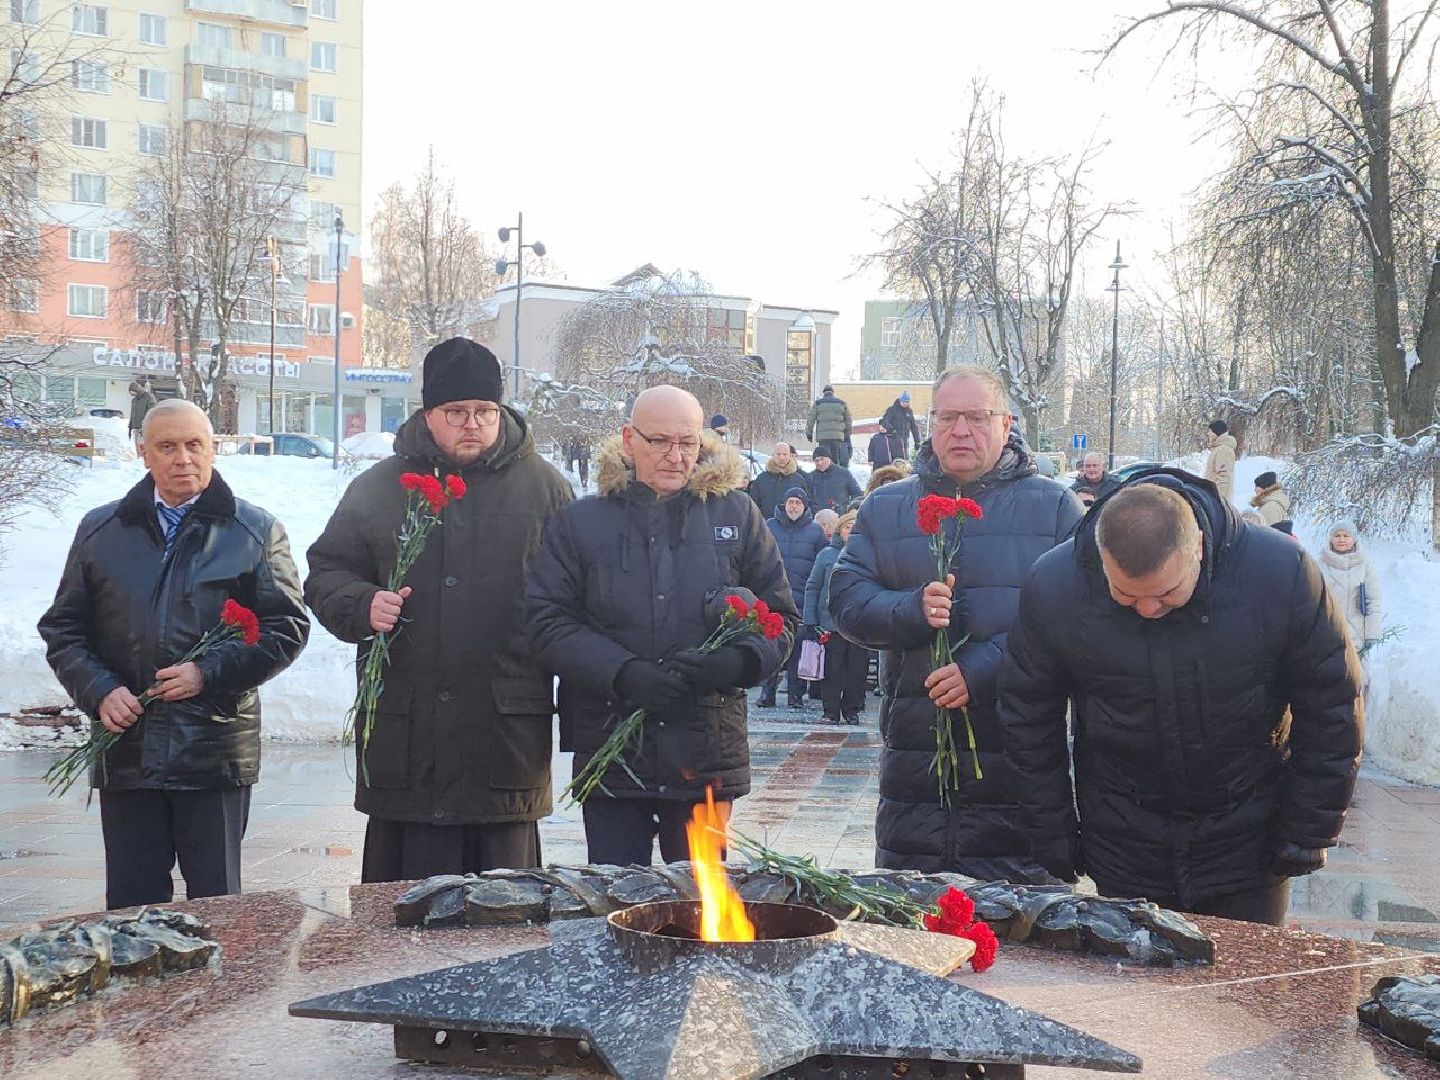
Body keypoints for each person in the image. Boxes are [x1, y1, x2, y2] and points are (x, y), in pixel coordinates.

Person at [1000, 477, 1363, 926]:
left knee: (1240, 989)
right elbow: (1028, 713)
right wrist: (1050, 829)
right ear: (1100, 559)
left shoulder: (1279, 571)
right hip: (1122, 835)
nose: (1149, 609)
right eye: (1126, 596)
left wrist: (1309, 826)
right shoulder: (1058, 584)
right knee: (1136, 988)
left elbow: (1332, 702)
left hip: (1249, 838)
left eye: (1167, 593)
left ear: (1198, 549)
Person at [305, 338, 573, 883]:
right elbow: (327, 572)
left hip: (503, 737)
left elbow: (577, 591)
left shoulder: (544, 488)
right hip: (408, 742)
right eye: (456, 413)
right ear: (429, 415)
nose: (472, 424)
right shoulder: (380, 487)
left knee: (506, 919)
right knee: (400, 922)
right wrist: (362, 603)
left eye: (484, 412)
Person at [39, 399, 310, 909]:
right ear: (144, 454)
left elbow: (286, 627)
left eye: (194, 445)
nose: (183, 458)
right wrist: (100, 691)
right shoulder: (102, 531)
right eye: (167, 446)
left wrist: (207, 672)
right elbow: (64, 628)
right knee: (132, 912)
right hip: (128, 750)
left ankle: (226, 994)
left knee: (218, 909)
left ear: (212, 449)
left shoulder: (253, 531)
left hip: (213, 750)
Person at [829, 364, 1084, 878]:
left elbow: (1080, 623)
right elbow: (846, 599)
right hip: (914, 777)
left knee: (1019, 941)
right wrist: (910, 610)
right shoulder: (887, 506)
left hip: (1017, 777)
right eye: (947, 417)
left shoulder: (1055, 508)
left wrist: (987, 668)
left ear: (1006, 424)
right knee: (916, 934)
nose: (960, 431)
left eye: (976, 416)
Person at [526, 385, 798, 865]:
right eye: (659, 442)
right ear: (630, 439)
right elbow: (546, 621)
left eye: (687, 443)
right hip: (613, 747)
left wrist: (738, 661)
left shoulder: (736, 513)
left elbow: (782, 618)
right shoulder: (582, 521)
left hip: (705, 748)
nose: (676, 456)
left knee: (700, 908)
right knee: (617, 906)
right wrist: (621, 672)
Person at [761, 488, 828, 711]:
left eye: (798, 503)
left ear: (805, 507)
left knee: (798, 649)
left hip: (801, 597)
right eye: (790, 502)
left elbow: (820, 568)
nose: (793, 507)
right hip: (773, 596)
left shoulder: (815, 532)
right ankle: (767, 693)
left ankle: (795, 695)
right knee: (770, 645)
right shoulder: (769, 527)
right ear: (784, 504)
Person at [805, 509, 866, 725]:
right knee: (832, 670)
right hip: (831, 623)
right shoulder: (826, 555)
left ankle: (852, 710)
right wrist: (810, 619)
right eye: (847, 526)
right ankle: (830, 711)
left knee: (857, 671)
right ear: (840, 529)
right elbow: (813, 586)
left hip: (859, 623)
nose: (851, 530)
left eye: (854, 526)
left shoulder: (867, 553)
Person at [1318, 519, 1383, 658]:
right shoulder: (1320, 565)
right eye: (1337, 535)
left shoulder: (1365, 566)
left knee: (1357, 677)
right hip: (1327, 634)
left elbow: (1373, 600)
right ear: (1331, 539)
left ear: (1354, 539)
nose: (1341, 539)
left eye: (1346, 536)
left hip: (1357, 636)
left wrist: (1372, 633)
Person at [749, 441, 809, 519]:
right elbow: (754, 506)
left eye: (785, 454)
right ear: (773, 455)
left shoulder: (798, 479)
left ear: (789, 456)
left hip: (794, 527)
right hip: (767, 526)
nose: (781, 458)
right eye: (778, 454)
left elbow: (806, 505)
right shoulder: (761, 479)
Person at [807, 443, 862, 513]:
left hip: (841, 516)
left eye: (822, 459)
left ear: (829, 458)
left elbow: (857, 495)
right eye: (816, 461)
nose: (819, 463)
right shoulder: (810, 477)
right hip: (818, 518)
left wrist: (847, 508)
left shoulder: (844, 474)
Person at [806, 385, 852, 466]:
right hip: (837, 437)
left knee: (824, 456)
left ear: (824, 393)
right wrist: (847, 433)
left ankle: (825, 474)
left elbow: (811, 419)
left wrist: (809, 433)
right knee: (835, 458)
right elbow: (848, 419)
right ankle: (834, 474)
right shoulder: (841, 403)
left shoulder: (818, 403)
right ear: (832, 393)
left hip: (823, 437)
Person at [1203, 419, 1237, 503]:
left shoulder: (1223, 450)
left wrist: (1216, 499)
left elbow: (1223, 477)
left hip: (1218, 499)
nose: (1208, 434)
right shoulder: (1218, 449)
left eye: (1210, 431)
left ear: (1216, 432)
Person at [882, 391, 922, 460]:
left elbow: (913, 427)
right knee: (894, 459)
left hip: (904, 440)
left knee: (903, 459)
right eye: (903, 401)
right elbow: (885, 421)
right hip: (893, 439)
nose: (905, 403)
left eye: (907, 402)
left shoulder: (909, 411)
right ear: (900, 400)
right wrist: (892, 430)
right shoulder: (892, 410)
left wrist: (917, 441)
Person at [127, 378, 156, 449]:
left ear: (138, 390)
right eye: (131, 393)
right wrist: (130, 426)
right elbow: (132, 413)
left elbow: (152, 411)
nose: (133, 395)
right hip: (135, 427)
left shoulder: (148, 398)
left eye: (134, 393)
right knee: (137, 446)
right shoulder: (134, 400)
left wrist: (145, 424)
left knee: (143, 446)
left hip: (144, 427)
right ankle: (139, 459)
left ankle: (144, 459)